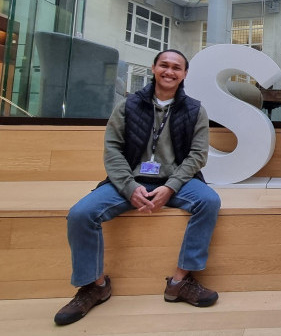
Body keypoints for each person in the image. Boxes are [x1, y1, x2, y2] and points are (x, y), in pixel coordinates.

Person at [54, 49, 221, 326]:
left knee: (209, 201)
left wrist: (171, 187)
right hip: (130, 181)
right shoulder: (128, 106)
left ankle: (180, 281)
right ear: (154, 68)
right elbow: (112, 150)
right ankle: (95, 286)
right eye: (164, 65)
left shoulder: (195, 110)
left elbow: (197, 156)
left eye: (176, 67)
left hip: (176, 182)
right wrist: (129, 187)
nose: (169, 71)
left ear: (184, 74)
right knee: (81, 214)